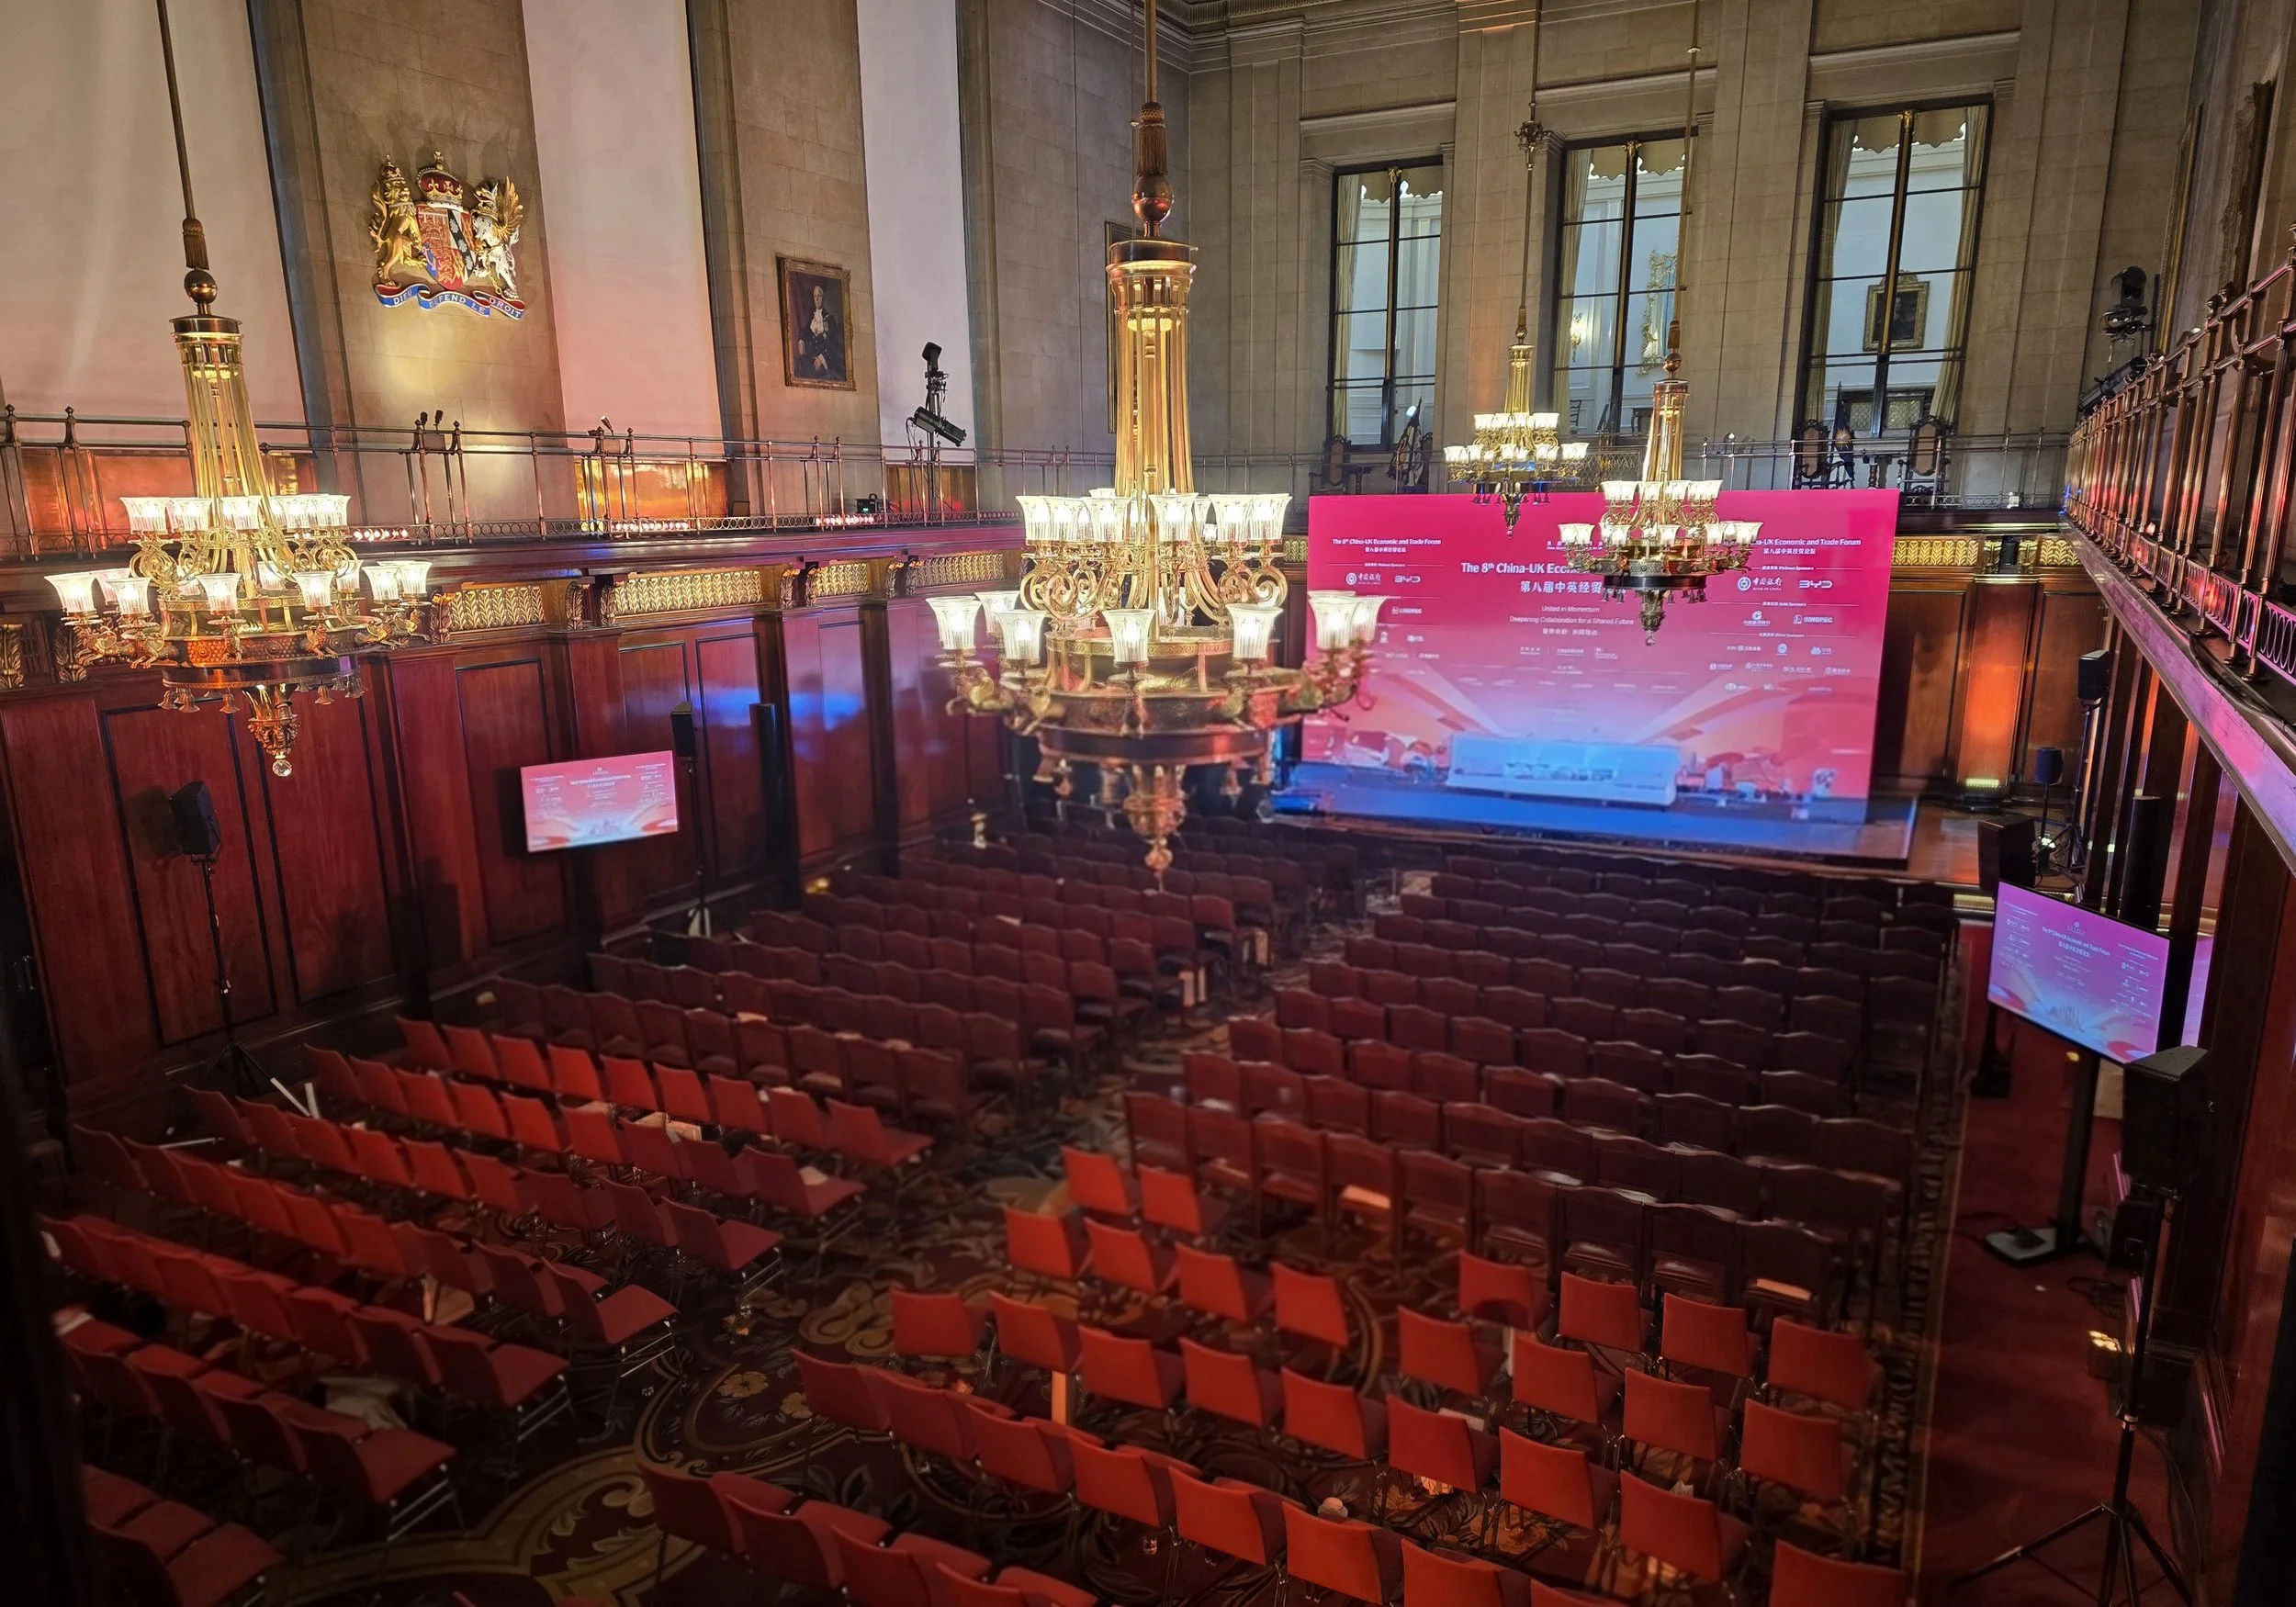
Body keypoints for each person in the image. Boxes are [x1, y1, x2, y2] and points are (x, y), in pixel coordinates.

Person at [796, 281, 844, 381]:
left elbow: (834, 344)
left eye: (819, 296)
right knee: (800, 362)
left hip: (826, 360)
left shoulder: (830, 319)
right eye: (815, 296)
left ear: (823, 297)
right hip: (813, 359)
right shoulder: (812, 319)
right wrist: (801, 340)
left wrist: (821, 358)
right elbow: (804, 332)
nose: (817, 299)